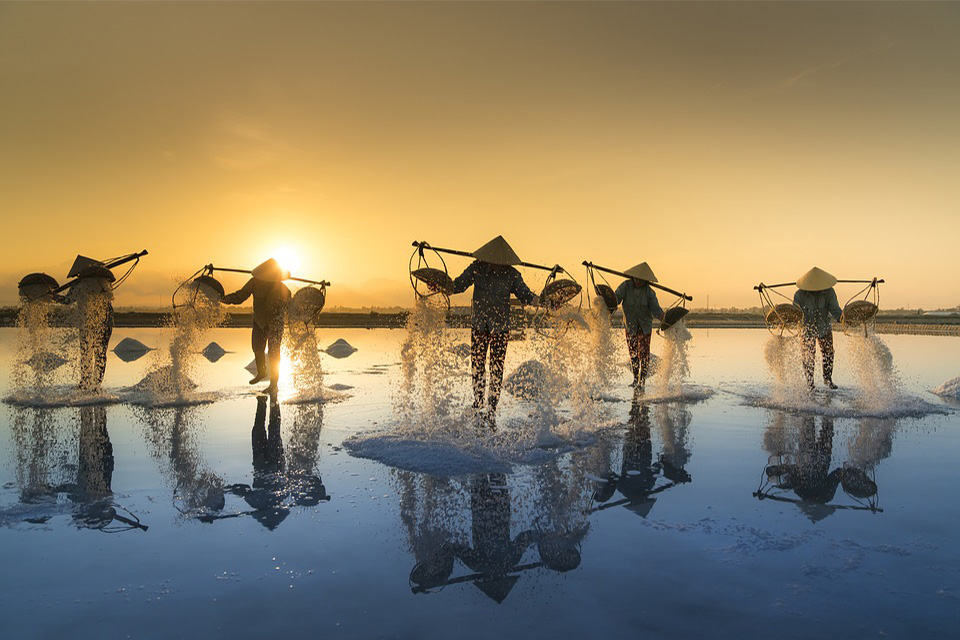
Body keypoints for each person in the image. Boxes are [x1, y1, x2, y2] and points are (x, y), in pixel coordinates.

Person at [451, 236, 538, 426]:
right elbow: (457, 285)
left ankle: (492, 408)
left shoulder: (512, 274)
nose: (496, 265)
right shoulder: (477, 268)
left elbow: (525, 295)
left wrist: (542, 301)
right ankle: (478, 401)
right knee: (477, 366)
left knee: (497, 369)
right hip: (479, 327)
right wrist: (442, 285)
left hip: (500, 329)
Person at [222, 258, 292, 394]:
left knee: (274, 353)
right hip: (259, 320)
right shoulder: (254, 282)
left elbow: (290, 305)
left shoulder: (282, 288)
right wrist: (226, 298)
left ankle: (273, 384)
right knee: (257, 348)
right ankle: (261, 372)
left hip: (275, 323)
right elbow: (240, 296)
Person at [57, 265, 116, 391]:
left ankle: (90, 383)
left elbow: (67, 301)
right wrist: (53, 296)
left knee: (89, 353)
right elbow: (67, 300)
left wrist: (53, 296)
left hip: (97, 323)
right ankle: (91, 383)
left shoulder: (89, 284)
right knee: (97, 353)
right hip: (96, 324)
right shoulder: (102, 282)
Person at [614, 263, 664, 390]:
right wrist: (606, 300)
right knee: (633, 354)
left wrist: (664, 318)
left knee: (644, 356)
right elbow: (615, 300)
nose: (637, 281)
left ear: (645, 280)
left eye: (640, 280)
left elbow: (656, 310)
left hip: (644, 327)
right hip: (630, 327)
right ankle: (635, 379)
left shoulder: (649, 293)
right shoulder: (625, 287)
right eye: (635, 278)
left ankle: (642, 381)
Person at [793, 267, 843, 390]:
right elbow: (795, 313)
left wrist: (844, 319)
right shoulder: (799, 294)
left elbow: (835, 310)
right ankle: (810, 383)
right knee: (808, 355)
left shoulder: (829, 292)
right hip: (806, 328)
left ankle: (828, 379)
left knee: (829, 352)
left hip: (824, 327)